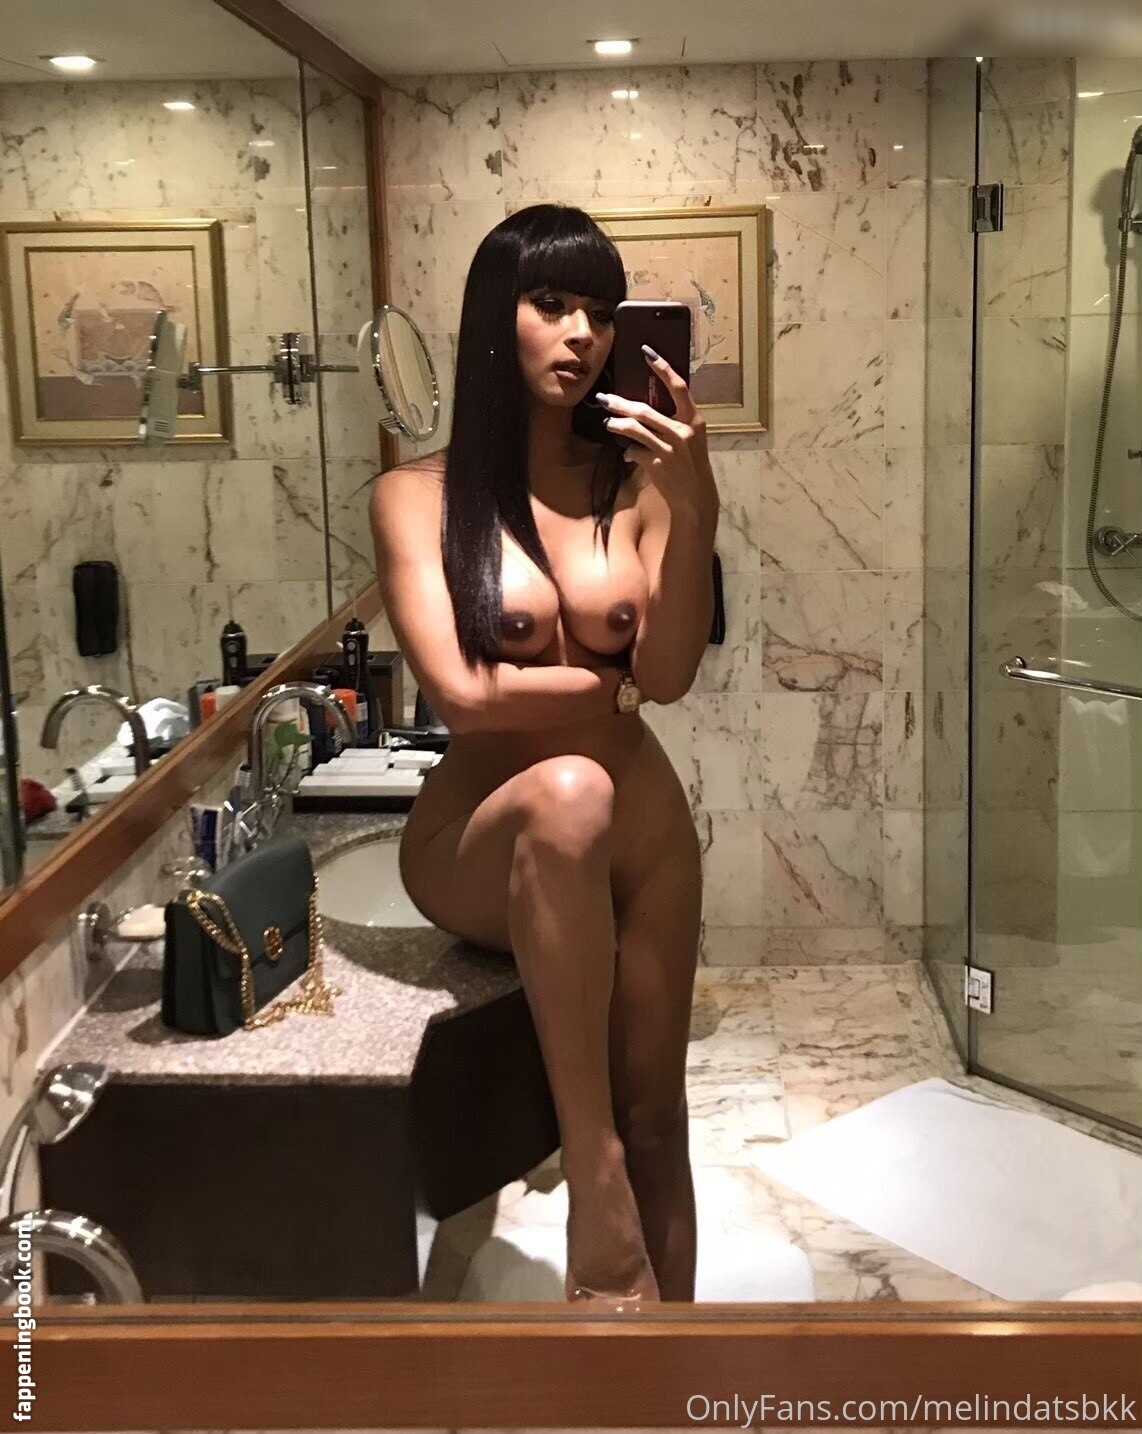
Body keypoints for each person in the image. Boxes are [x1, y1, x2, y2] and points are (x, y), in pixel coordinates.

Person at [370, 204, 719, 1306]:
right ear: (494, 317)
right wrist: (605, 688)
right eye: (552, 304)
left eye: (601, 313)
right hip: (484, 835)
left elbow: (668, 675)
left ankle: (670, 1375)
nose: (583, 334)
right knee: (569, 789)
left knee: (660, 1116)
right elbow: (465, 697)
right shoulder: (415, 498)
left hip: (644, 835)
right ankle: (589, 1168)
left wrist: (698, 507)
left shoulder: (640, 488)